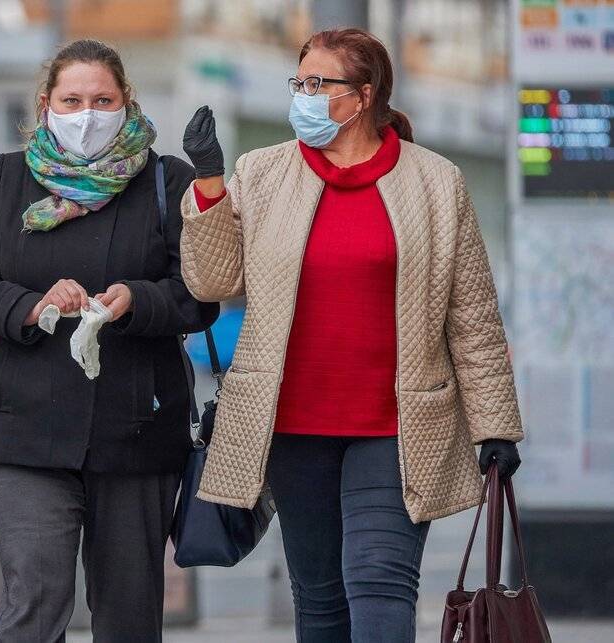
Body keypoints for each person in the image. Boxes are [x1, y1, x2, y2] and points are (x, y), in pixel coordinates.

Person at [178, 28, 524, 643]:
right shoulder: (262, 173)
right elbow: (212, 282)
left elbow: (471, 314)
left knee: (380, 581)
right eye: (300, 83)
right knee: (320, 598)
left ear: (363, 96)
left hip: (396, 425)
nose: (304, 96)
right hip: (291, 424)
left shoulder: (436, 183)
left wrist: (495, 425)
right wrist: (208, 187)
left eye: (320, 84)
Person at [0, 39, 218, 642]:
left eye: (103, 99)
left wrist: (136, 299)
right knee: (33, 601)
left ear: (127, 104)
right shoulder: (8, 178)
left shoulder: (164, 180)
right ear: (46, 105)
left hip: (137, 434)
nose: (87, 113)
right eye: (72, 100)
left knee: (128, 615)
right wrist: (32, 304)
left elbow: (199, 296)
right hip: (25, 435)